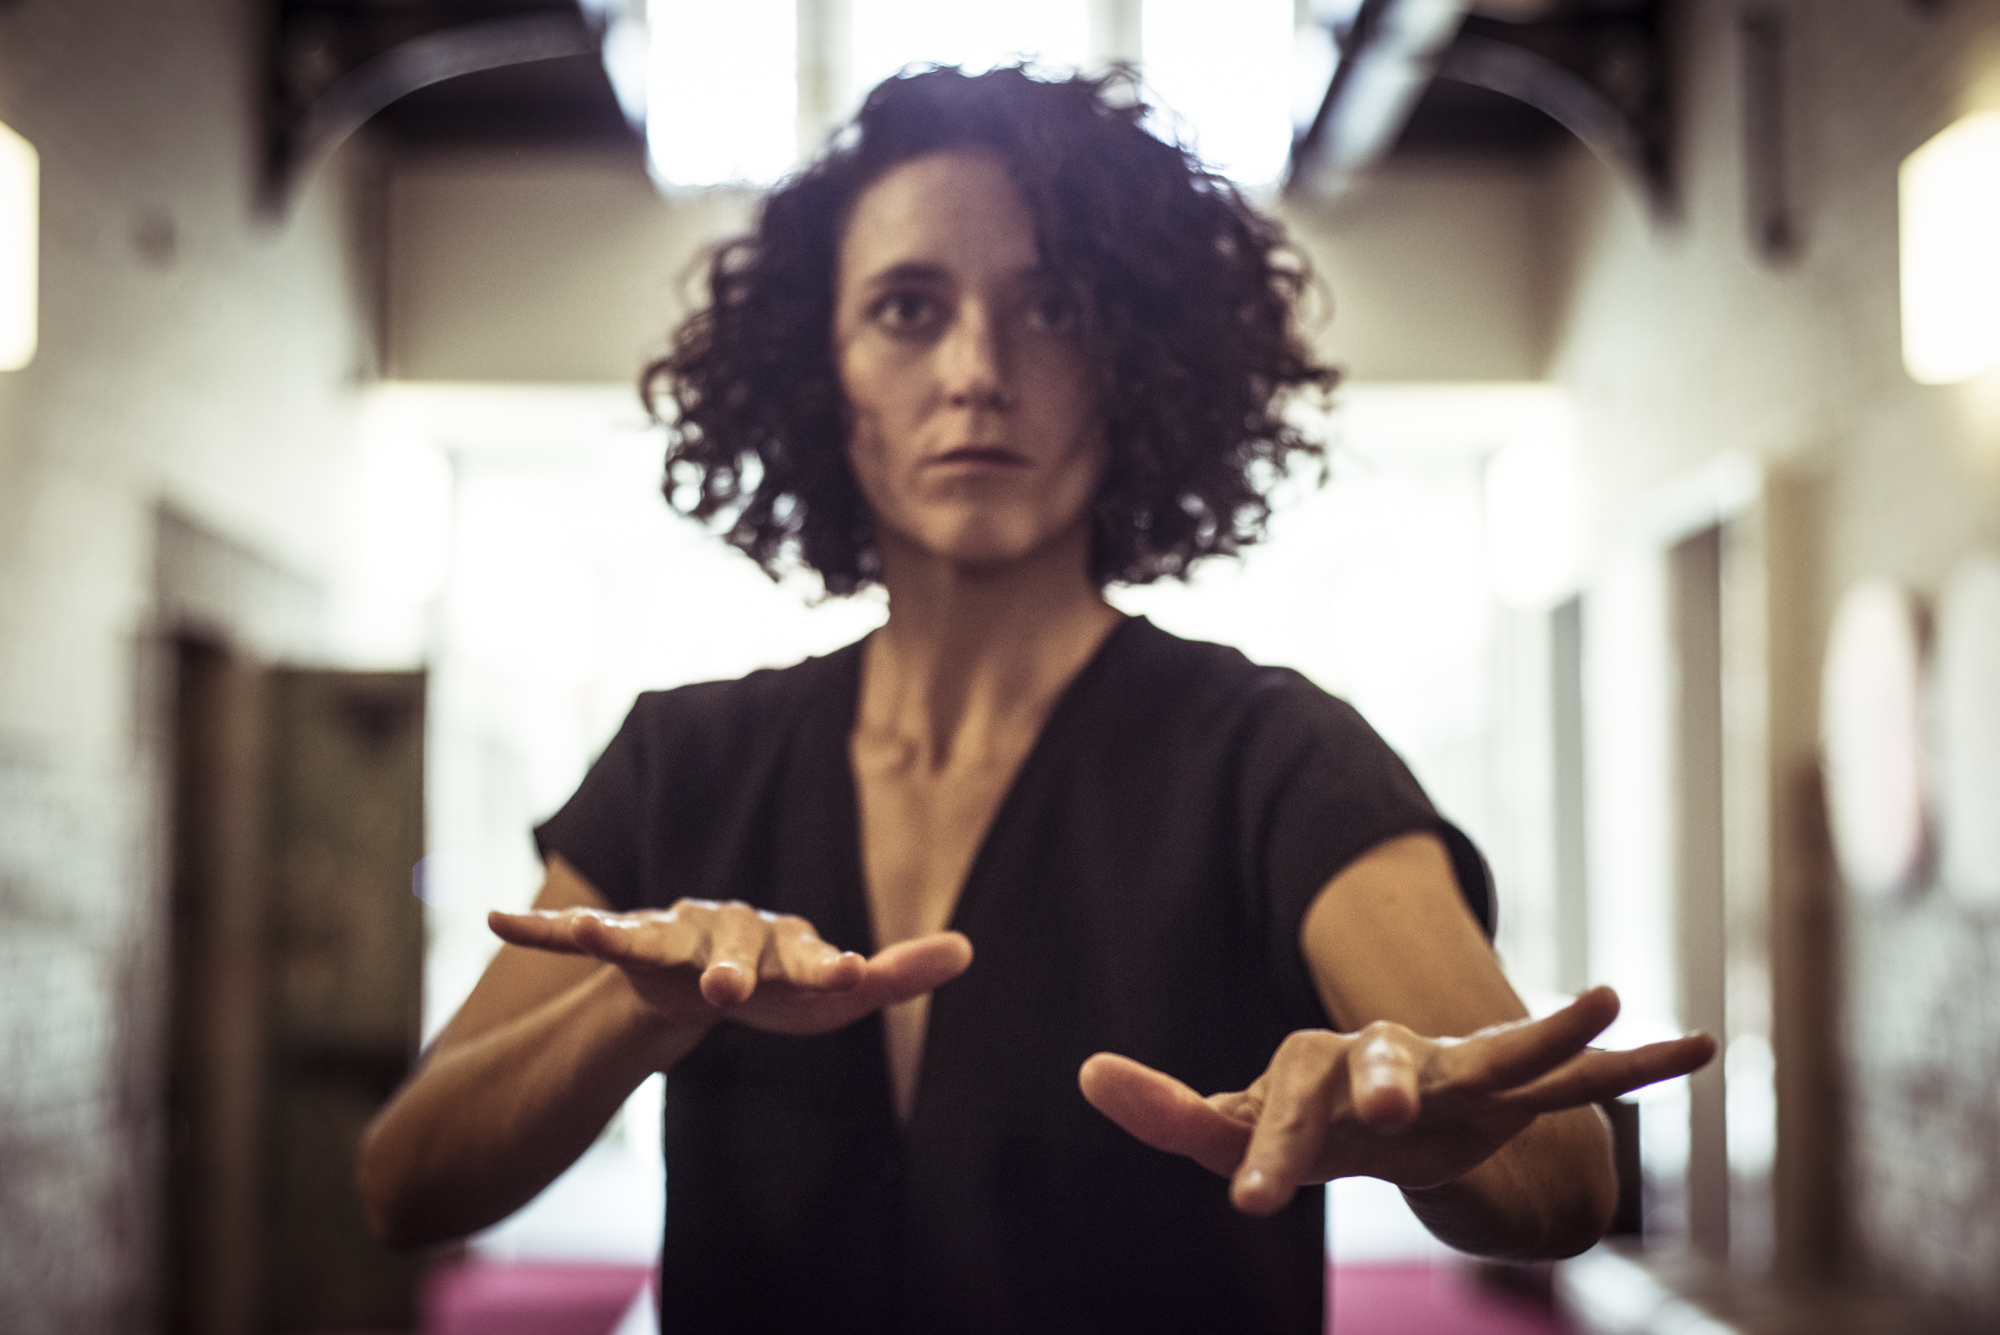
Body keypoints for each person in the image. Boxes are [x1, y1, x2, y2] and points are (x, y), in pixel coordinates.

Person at [358, 64, 1712, 1333]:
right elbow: (405, 1181)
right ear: (821, 375)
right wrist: (642, 1012)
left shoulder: (1272, 758)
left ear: (1135, 368)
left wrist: (1435, 1130)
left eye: (1054, 307)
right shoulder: (685, 762)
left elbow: (1561, 1173)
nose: (976, 369)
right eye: (907, 308)